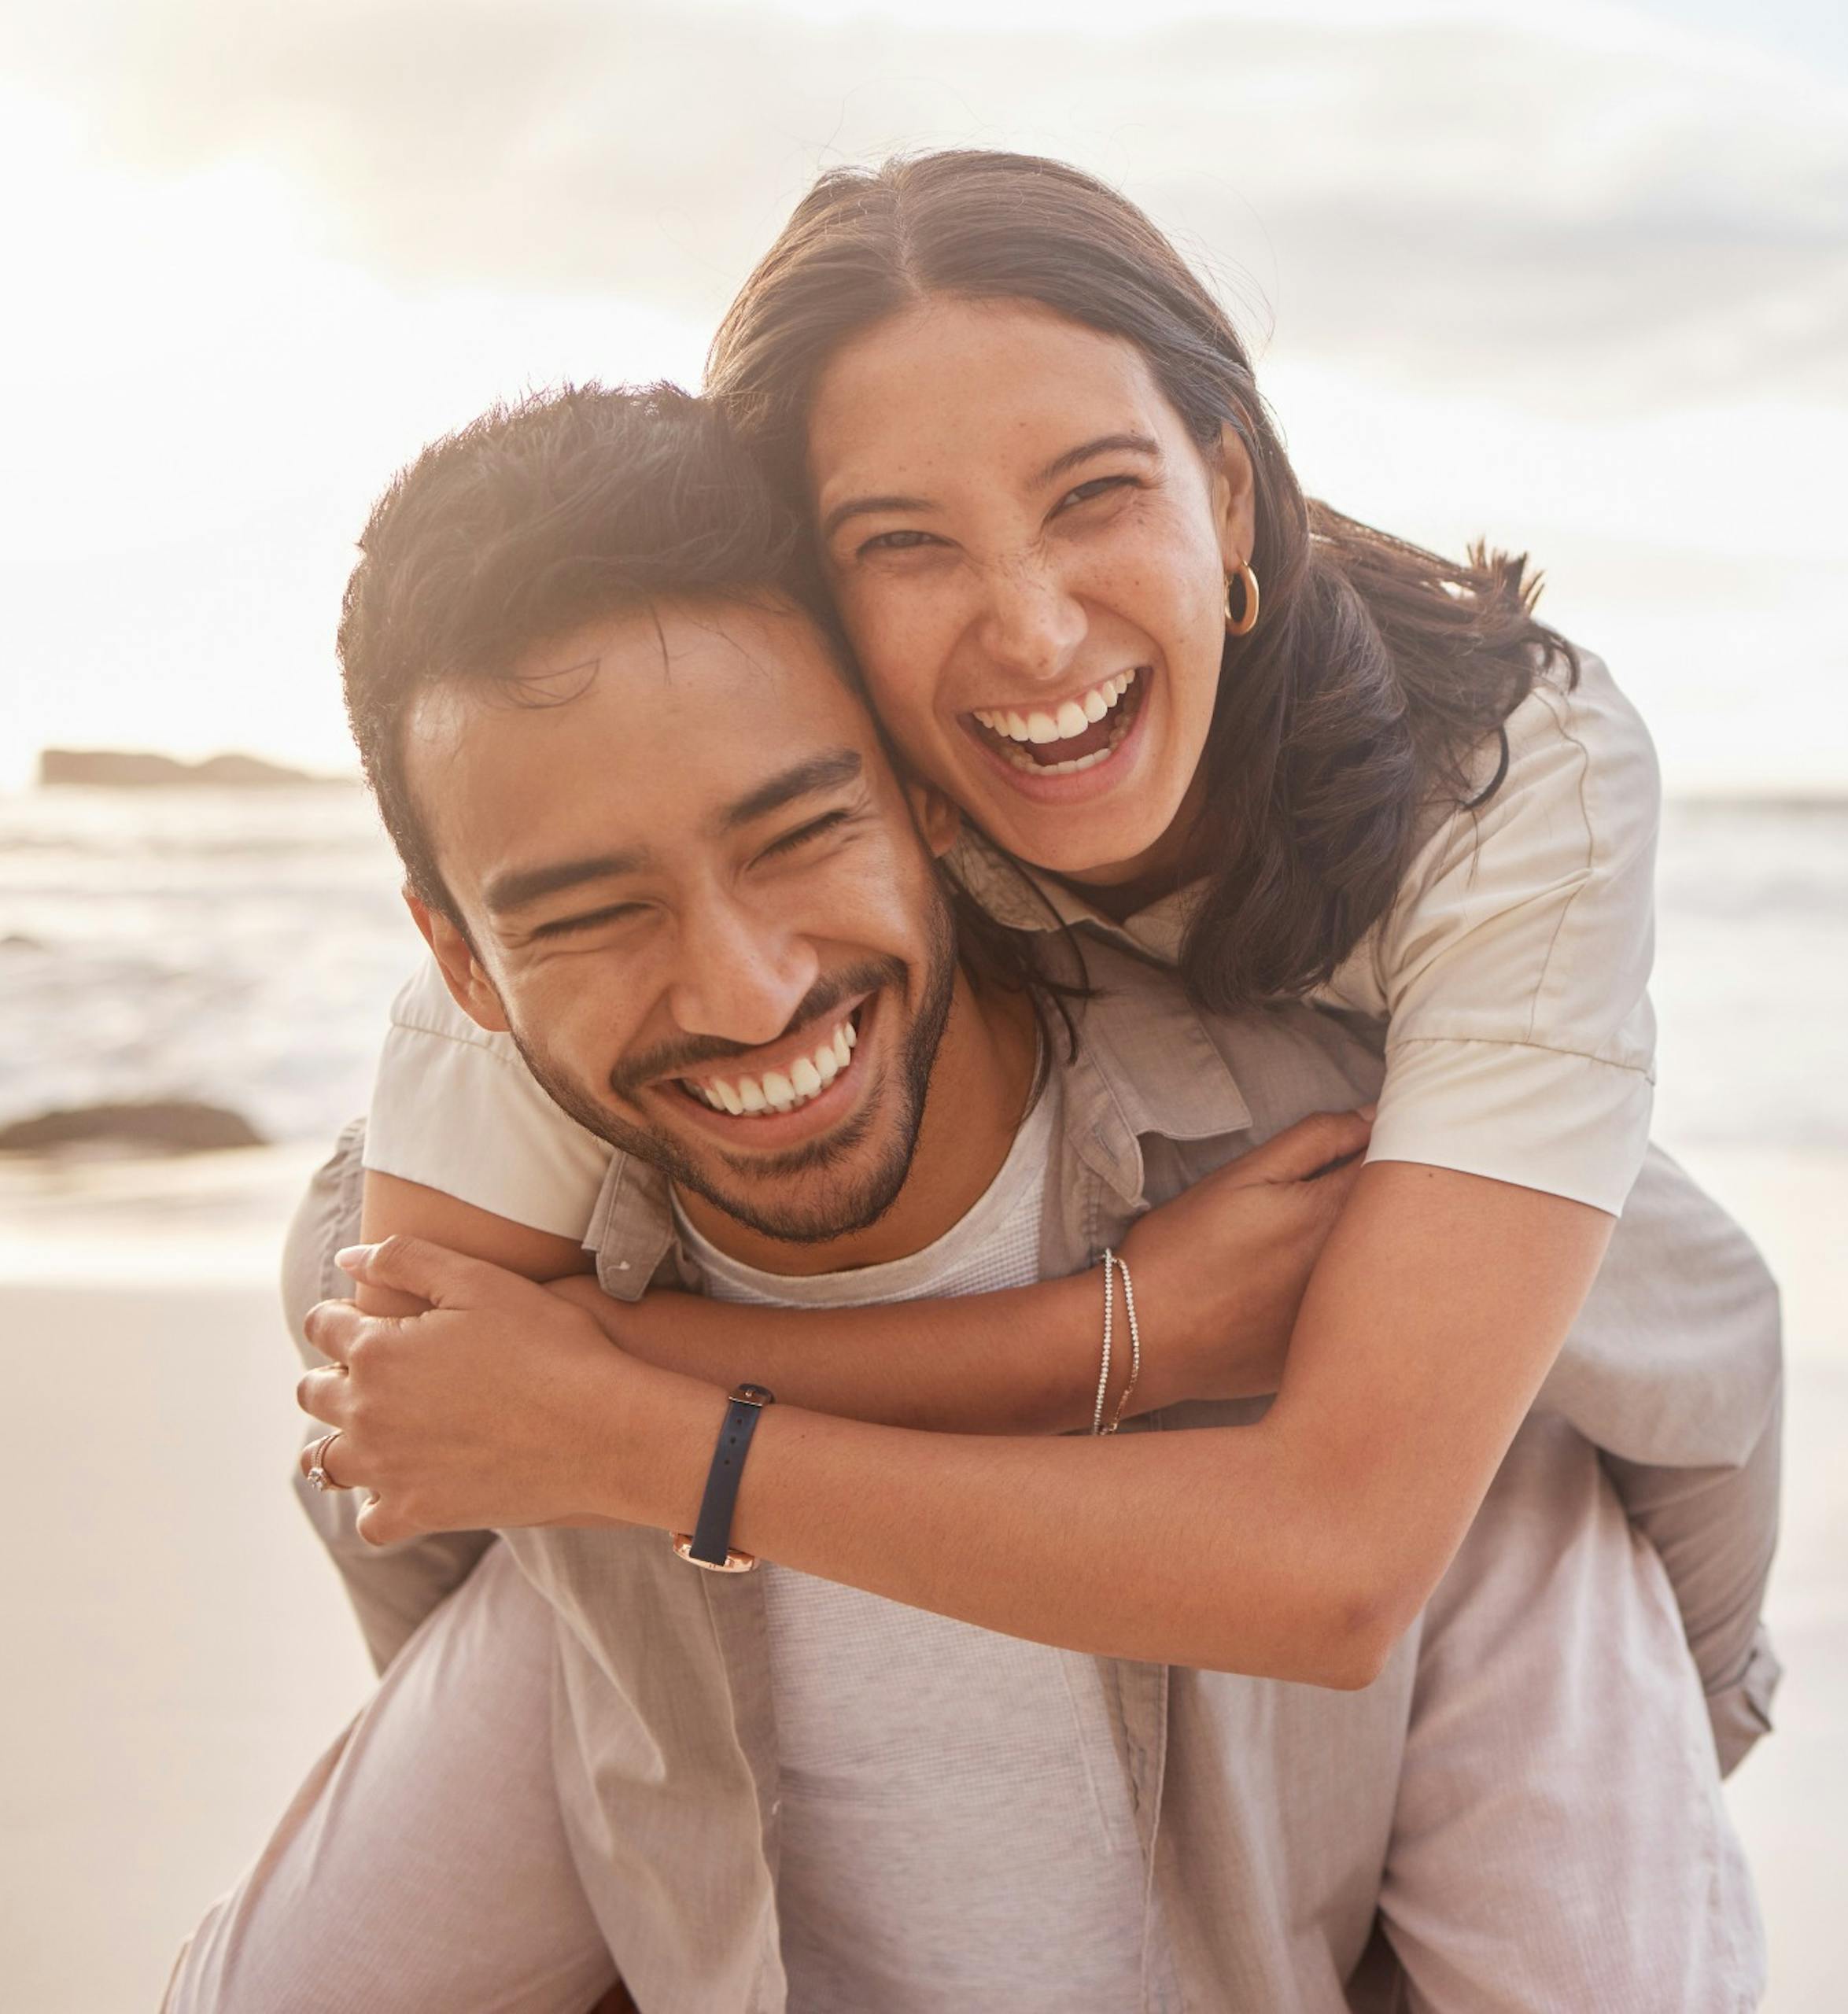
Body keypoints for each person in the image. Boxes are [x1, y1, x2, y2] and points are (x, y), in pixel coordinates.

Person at [171, 384, 1760, 2011]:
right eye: (588, 914)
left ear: (934, 792)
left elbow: (1704, 1376)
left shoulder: (1353, 1219)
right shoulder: (508, 1341)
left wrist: (1095, 1340)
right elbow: (405, 1469)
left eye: (798, 831)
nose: (740, 988)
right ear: (462, 961)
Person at [308, 149, 1784, 1751]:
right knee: (336, 1246)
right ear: (805, 592)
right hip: (1101, 1241)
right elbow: (437, 1372)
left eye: (1095, 496)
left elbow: (1337, 1559)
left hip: (1471, 1250)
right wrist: (1096, 1335)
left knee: (1644, 1310)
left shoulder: (1511, 770)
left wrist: (658, 1437)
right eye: (904, 543)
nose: (1031, 631)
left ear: (1226, 495)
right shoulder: (722, 821)